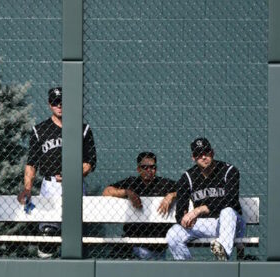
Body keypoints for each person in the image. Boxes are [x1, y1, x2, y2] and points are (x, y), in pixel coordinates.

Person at [17, 87, 97, 258]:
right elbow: (31, 164)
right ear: (49, 104)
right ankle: (47, 269)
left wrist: (73, 174)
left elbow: (89, 163)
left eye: (62, 102)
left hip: (74, 185)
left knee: (74, 233)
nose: (59, 105)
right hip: (50, 185)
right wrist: (28, 188)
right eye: (55, 102)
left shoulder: (83, 129)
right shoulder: (40, 130)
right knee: (48, 234)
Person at [166, 137, 245, 261]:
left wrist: (200, 210)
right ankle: (188, 269)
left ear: (212, 152)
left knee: (227, 212)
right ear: (193, 157)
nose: (203, 157)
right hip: (207, 224)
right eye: (198, 154)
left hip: (232, 223)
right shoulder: (188, 177)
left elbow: (231, 201)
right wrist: (184, 219)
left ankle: (222, 255)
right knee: (173, 234)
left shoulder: (229, 171)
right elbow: (181, 210)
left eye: (206, 152)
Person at [102, 152, 176, 259]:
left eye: (152, 167)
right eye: (144, 167)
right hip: (134, 244)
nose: (149, 170)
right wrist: (126, 192)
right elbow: (106, 192)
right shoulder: (132, 183)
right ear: (138, 169)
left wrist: (171, 195)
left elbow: (185, 189)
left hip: (158, 246)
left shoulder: (164, 184)